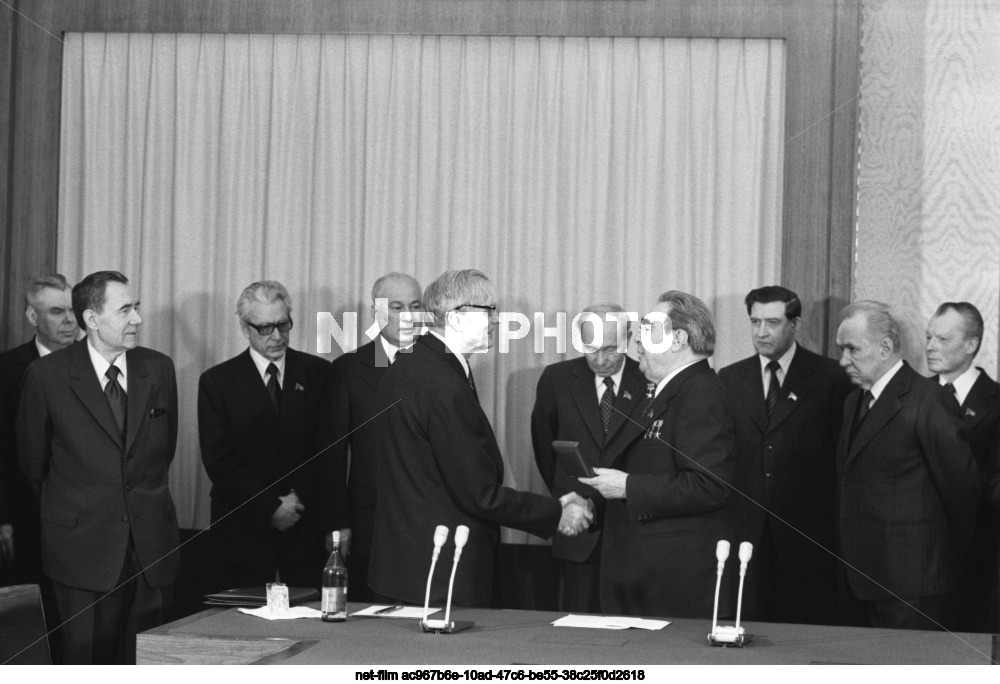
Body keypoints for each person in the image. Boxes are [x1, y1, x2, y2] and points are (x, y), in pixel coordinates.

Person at [368, 269, 593, 607]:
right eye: (488, 310)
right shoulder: (442, 383)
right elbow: (479, 494)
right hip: (440, 576)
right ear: (457, 318)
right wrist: (555, 513)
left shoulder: (412, 365)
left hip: (408, 569)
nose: (496, 320)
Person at [16, 270, 179, 664]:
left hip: (151, 551)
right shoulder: (46, 376)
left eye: (136, 307)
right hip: (81, 553)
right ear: (91, 319)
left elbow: (164, 451)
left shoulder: (157, 368)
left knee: (148, 664)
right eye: (125, 310)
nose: (137, 319)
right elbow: (33, 463)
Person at [582, 291, 736, 619]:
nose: (637, 340)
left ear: (678, 339)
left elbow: (710, 485)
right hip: (645, 572)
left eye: (649, 330)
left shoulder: (701, 394)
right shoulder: (666, 390)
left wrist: (628, 487)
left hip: (673, 579)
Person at [834, 300, 979, 629]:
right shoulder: (852, 402)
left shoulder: (929, 399)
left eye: (852, 349)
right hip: (859, 581)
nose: (843, 361)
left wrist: (938, 560)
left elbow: (963, 490)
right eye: (841, 349)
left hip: (913, 587)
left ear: (885, 348)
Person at [717, 286, 851, 625]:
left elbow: (841, 459)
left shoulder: (831, 377)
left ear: (795, 324)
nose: (761, 332)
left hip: (807, 535)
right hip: (746, 535)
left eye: (773, 322)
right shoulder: (730, 378)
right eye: (755, 322)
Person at [199, 280, 341, 591]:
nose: (276, 336)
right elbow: (220, 461)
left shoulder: (319, 373)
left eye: (282, 324)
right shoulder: (217, 382)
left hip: (305, 522)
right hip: (243, 527)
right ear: (244, 327)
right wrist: (270, 508)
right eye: (264, 328)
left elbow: (328, 452)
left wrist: (295, 504)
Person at [530, 304, 646, 613]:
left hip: (634, 532)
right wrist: (570, 502)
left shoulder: (649, 380)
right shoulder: (556, 379)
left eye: (609, 348)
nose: (599, 359)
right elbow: (545, 448)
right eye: (590, 348)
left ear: (629, 338)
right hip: (578, 531)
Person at [318, 272, 423, 601]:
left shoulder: (440, 366)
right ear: (376, 313)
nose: (407, 316)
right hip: (371, 526)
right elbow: (332, 456)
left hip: (426, 522)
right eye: (397, 307)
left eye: (415, 306)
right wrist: (338, 522)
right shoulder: (349, 370)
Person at [1, 275, 78, 595]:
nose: (70, 320)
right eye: (57, 312)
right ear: (33, 317)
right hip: (27, 515)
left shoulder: (100, 363)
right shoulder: (6, 370)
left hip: (84, 516)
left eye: (74, 310)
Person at [925, 301, 1000, 632]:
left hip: (980, 556)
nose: (929, 347)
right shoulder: (913, 396)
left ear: (971, 345)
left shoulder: (996, 402)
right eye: (929, 337)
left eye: (941, 339)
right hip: (921, 558)